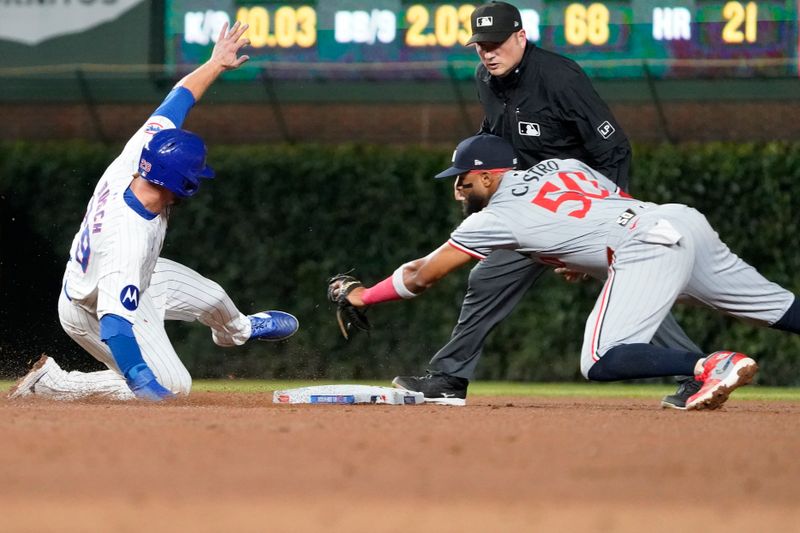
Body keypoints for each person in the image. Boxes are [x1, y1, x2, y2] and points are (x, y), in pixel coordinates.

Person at [332, 134, 799, 408]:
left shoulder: (493, 217)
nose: (458, 189)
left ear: (491, 177)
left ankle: (710, 365)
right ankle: (709, 365)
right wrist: (582, 254)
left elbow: (421, 275)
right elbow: (596, 209)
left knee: (600, 359)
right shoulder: (564, 165)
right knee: (776, 307)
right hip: (679, 220)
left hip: (645, 246)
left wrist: (363, 296)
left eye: (464, 179)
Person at [393, 1, 703, 409]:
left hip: (584, 210)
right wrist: (472, 173)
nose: (488, 52)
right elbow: (495, 138)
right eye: (480, 44)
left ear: (521, 37)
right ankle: (450, 378)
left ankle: (699, 373)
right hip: (527, 211)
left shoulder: (560, 77)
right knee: (486, 280)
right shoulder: (485, 78)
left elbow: (613, 147)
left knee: (631, 287)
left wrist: (604, 221)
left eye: (497, 43)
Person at [8, 22, 298, 402]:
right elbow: (115, 327)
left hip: (131, 274)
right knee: (174, 385)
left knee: (212, 298)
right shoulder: (127, 238)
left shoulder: (140, 157)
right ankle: (54, 385)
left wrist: (215, 63)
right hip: (93, 309)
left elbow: (177, 100)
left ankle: (240, 328)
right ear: (179, 185)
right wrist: (146, 386)